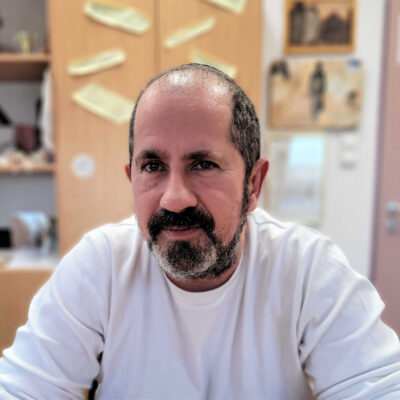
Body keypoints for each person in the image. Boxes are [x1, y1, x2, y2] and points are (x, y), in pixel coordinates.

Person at [0, 63, 400, 399]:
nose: (175, 199)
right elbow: (25, 390)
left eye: (203, 164)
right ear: (131, 179)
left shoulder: (307, 268)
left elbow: (379, 386)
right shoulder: (100, 266)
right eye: (152, 166)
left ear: (253, 185)